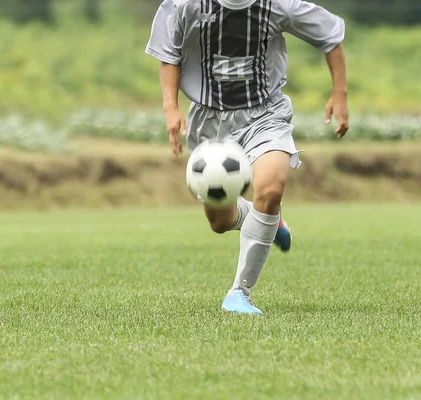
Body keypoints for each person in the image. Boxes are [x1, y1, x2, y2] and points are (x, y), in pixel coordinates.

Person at [146, 0, 349, 315]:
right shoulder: (185, 5)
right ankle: (267, 220)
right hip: (209, 120)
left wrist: (339, 94)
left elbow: (330, 36)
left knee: (271, 188)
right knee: (219, 221)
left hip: (265, 114)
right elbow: (168, 53)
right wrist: (170, 108)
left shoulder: (279, 5)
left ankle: (239, 293)